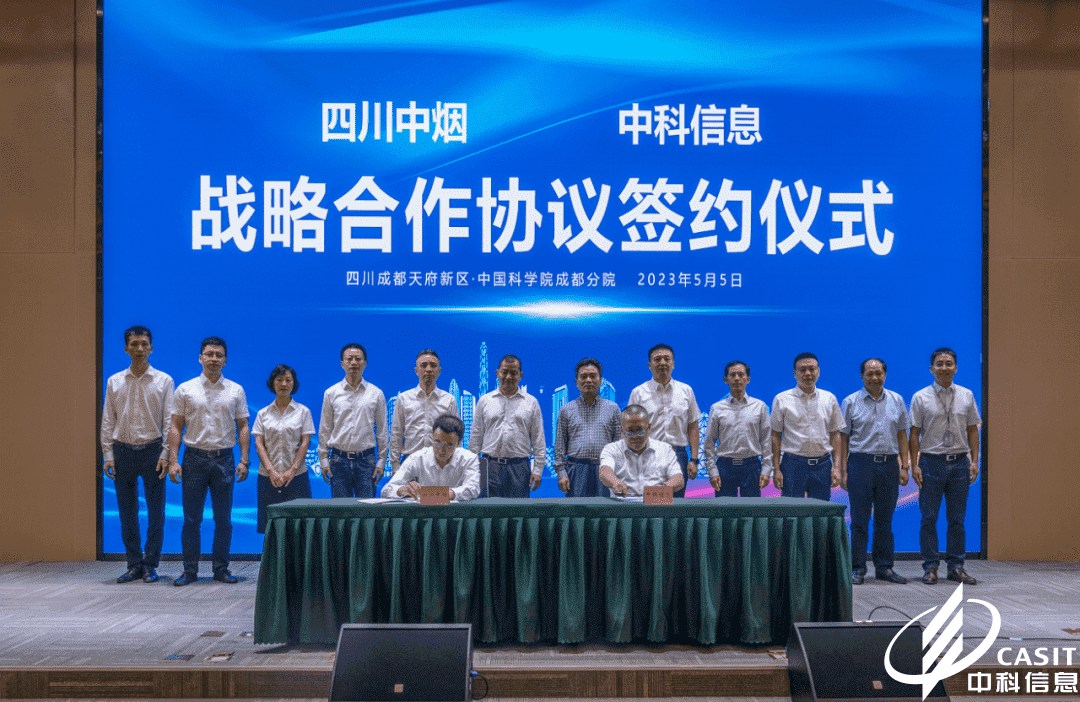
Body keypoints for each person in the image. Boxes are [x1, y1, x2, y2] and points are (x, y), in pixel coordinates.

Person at [168, 336, 250, 586]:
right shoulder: (185, 389)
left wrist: (245, 460)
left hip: (225, 459)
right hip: (194, 459)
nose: (214, 359)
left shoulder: (236, 390)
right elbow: (175, 426)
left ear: (225, 360)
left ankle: (221, 569)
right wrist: (173, 460)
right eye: (209, 354)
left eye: (219, 355)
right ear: (200, 358)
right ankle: (189, 571)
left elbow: (243, 426)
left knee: (223, 520)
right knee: (191, 520)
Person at [101, 325, 174, 584]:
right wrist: (108, 454)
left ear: (151, 347)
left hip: (154, 452)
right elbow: (108, 419)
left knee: (156, 512)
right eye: (134, 344)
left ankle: (151, 564)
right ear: (126, 349)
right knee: (127, 512)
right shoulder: (114, 381)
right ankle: (133, 564)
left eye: (144, 344)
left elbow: (169, 422)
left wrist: (166, 453)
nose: (140, 349)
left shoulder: (164, 381)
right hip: (122, 451)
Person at [910, 347, 981, 586]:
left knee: (957, 519)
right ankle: (930, 567)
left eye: (948, 363)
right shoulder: (920, 397)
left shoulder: (967, 395)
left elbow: (973, 430)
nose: (944, 368)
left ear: (956, 368)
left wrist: (974, 460)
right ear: (931, 369)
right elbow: (914, 433)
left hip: (960, 463)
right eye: (939, 364)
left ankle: (956, 567)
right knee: (928, 518)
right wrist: (914, 465)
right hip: (931, 462)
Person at [840, 358, 911, 585]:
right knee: (859, 521)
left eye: (878, 373)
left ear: (885, 375)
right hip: (860, 464)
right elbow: (843, 438)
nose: (874, 378)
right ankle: (857, 568)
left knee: (885, 520)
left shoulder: (897, 400)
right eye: (869, 374)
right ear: (862, 376)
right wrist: (842, 470)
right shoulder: (850, 401)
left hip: (889, 465)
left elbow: (902, 434)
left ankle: (884, 568)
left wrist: (905, 466)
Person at [627, 344, 702, 498]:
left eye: (667, 359)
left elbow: (693, 427)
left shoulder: (686, 391)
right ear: (649, 365)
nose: (662, 363)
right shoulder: (638, 393)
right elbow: (629, 429)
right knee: (650, 502)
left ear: (673, 364)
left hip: (678, 456)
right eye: (657, 359)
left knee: (676, 503)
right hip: (648, 455)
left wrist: (694, 460)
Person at [468, 354, 545, 497]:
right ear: (497, 373)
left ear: (520, 375)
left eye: (513, 373)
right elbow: (475, 438)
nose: (508, 377)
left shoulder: (531, 403)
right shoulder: (485, 401)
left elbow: (538, 439)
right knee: (489, 509)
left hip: (520, 468)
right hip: (489, 466)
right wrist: (471, 469)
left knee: (518, 510)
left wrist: (538, 470)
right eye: (504, 372)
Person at [771, 352, 844, 500]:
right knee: (791, 511)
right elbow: (775, 436)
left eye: (812, 369)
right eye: (802, 370)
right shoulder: (782, 399)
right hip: (792, 465)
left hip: (822, 465)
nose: (808, 373)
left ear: (818, 371)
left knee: (821, 511)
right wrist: (776, 469)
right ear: (795, 373)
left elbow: (835, 434)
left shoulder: (829, 399)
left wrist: (836, 467)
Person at [318, 343, 388, 499]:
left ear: (365, 363)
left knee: (367, 510)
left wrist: (382, 461)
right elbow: (325, 430)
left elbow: (382, 431)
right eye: (349, 359)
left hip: (367, 461)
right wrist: (323, 460)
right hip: (338, 461)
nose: (354, 363)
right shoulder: (331, 393)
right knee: (341, 511)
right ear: (342, 364)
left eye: (358, 359)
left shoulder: (376, 394)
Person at [252, 364, 314, 534]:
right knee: (270, 528)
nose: (284, 384)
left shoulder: (303, 412)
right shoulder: (263, 413)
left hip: (297, 476)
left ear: (294, 383)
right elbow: (259, 443)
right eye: (279, 380)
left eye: (288, 380)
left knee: (299, 528)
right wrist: (271, 471)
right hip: (268, 478)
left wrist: (292, 470)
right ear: (273, 383)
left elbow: (305, 442)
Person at [702, 361, 772, 497]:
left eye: (741, 375)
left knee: (752, 509)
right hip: (725, 467)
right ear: (726, 379)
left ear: (748, 379)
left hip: (752, 466)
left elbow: (767, 442)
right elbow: (709, 443)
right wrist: (713, 471)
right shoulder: (717, 408)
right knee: (725, 509)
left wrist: (766, 470)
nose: (737, 378)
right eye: (732, 375)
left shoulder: (760, 406)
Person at [554, 358, 621, 497]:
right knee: (576, 510)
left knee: (604, 509)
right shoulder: (566, 410)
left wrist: (617, 473)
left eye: (593, 376)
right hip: (576, 470)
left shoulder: (613, 409)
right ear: (576, 382)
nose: (588, 380)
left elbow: (619, 444)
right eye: (583, 377)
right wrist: (561, 473)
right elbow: (560, 445)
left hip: (604, 469)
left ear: (600, 380)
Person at [388, 350, 459, 475]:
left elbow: (456, 436)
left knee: (437, 491)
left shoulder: (449, 400)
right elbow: (396, 434)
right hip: (410, 463)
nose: (428, 369)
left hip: (440, 464)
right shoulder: (403, 399)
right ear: (416, 370)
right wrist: (395, 466)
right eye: (423, 365)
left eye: (433, 366)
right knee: (410, 491)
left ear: (439, 371)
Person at [382, 414, 480, 502]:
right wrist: (403, 490)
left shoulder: (469, 459)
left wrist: (446, 494)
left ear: (458, 443)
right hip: (424, 512)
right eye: (437, 442)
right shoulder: (418, 458)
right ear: (432, 437)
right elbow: (386, 490)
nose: (441, 450)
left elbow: (473, 489)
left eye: (449, 445)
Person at [599, 405, 684, 497]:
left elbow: (678, 479)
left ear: (649, 428)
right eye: (629, 432)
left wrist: (662, 488)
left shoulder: (665, 449)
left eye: (640, 431)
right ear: (621, 431)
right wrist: (616, 483)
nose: (635, 436)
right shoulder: (611, 449)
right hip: (622, 503)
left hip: (655, 502)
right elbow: (605, 472)